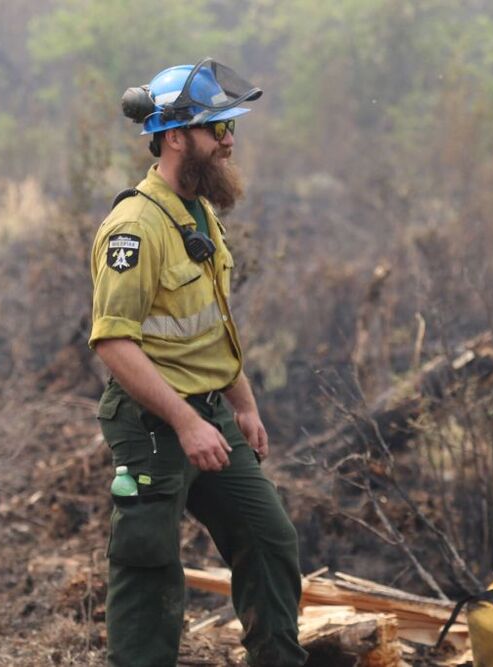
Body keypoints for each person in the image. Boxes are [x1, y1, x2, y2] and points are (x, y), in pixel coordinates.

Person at [90, 60, 309, 666]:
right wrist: (186, 424)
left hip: (210, 413)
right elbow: (113, 343)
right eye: (217, 129)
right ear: (176, 137)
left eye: (229, 127)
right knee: (150, 564)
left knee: (269, 539)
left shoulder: (200, 213)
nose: (230, 141)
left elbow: (208, 324)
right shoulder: (134, 227)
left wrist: (241, 403)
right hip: (153, 425)